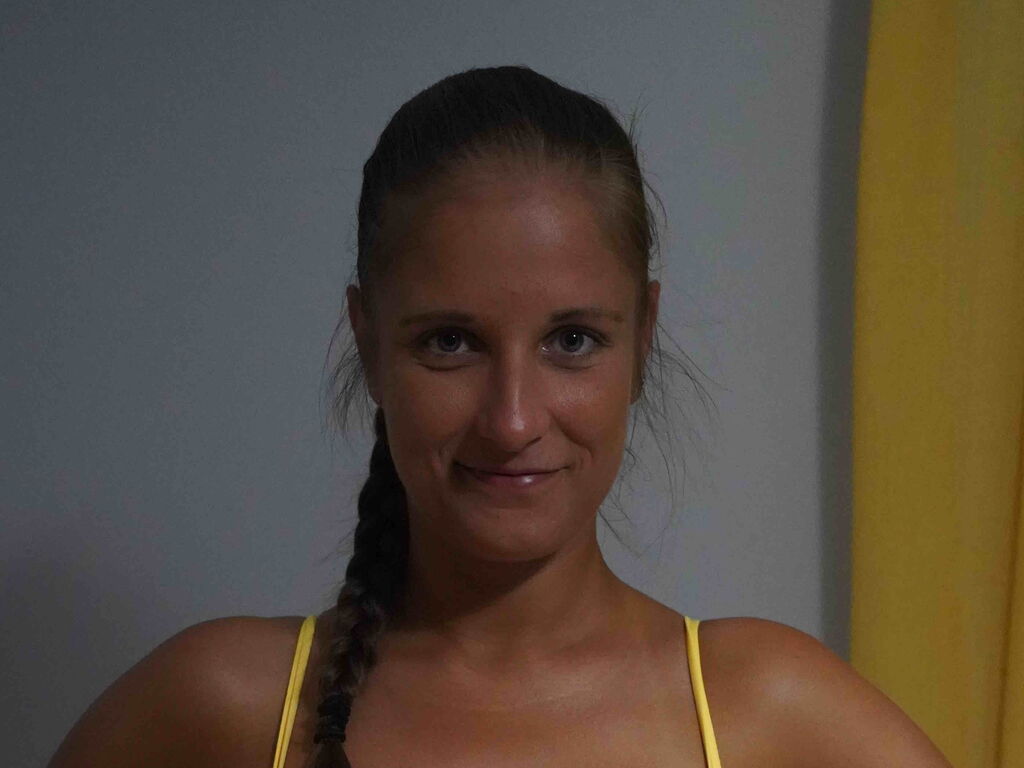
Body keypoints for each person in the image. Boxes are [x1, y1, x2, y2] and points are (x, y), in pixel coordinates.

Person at [48, 65, 952, 768]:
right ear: (368, 342)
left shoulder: (767, 713)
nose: (513, 420)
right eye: (451, 342)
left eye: (572, 340)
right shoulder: (222, 705)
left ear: (643, 338)